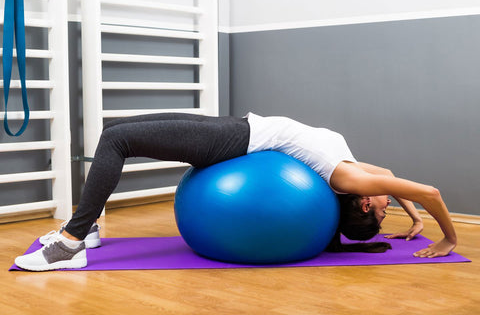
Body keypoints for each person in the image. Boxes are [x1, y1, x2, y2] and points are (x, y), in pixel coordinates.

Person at [14, 112, 457, 271]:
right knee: (117, 131)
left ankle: (71, 242)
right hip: (237, 127)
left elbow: (429, 190)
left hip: (233, 143)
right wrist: (416, 219)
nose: (390, 206)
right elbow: (400, 179)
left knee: (116, 142)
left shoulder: (353, 181)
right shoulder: (360, 171)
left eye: (386, 212)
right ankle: (87, 225)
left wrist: (448, 237)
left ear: (365, 201)